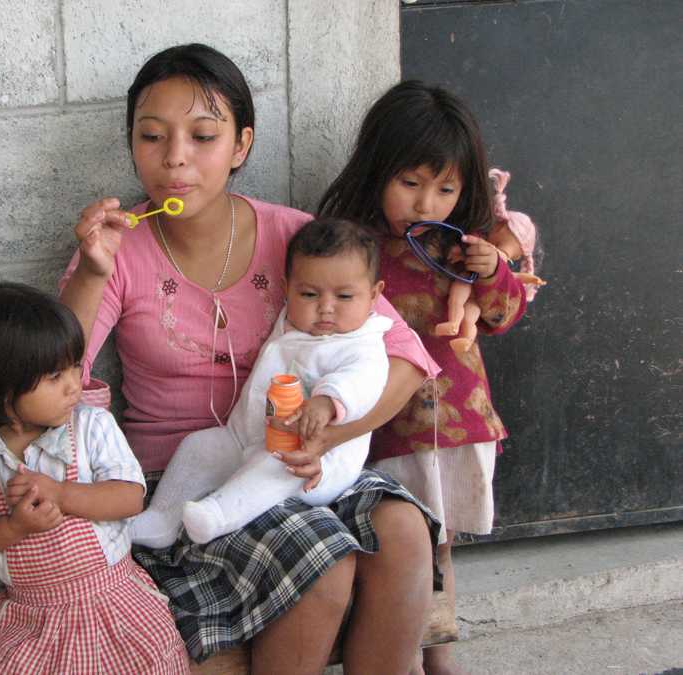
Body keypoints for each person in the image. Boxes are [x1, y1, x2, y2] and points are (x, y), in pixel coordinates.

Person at [59, 44, 442, 673]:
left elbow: (402, 357)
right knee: (323, 557)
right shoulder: (117, 248)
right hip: (186, 479)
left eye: (202, 136)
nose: (175, 157)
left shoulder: (294, 236)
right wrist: (93, 273)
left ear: (241, 146)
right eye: (152, 136)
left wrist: (330, 436)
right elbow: (58, 373)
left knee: (402, 531)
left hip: (306, 456)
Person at [318, 80, 529, 675]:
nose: (425, 203)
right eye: (409, 183)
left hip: (458, 426)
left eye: (445, 187)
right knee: (397, 551)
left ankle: (436, 654)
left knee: (440, 549)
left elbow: (502, 317)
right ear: (376, 170)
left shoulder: (464, 247)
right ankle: (402, 655)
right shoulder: (355, 248)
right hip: (383, 427)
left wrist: (494, 274)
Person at [0, 282, 188, 674]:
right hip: (31, 616)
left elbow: (129, 498)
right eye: (55, 375)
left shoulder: (91, 426)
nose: (74, 384)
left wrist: (60, 493)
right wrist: (12, 528)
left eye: (74, 365)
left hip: (114, 604)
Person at [131, 218, 391, 546]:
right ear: (287, 289)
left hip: (311, 461)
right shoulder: (292, 320)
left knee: (276, 465)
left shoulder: (362, 342)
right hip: (245, 436)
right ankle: (162, 518)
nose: (325, 308)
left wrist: (327, 402)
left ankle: (217, 515)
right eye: (309, 293)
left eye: (344, 296)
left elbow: (364, 381)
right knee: (199, 446)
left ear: (374, 294)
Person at [433, 168, 545, 353]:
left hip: (474, 295)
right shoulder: (471, 235)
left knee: (469, 316)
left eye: (511, 255)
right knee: (457, 301)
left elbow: (515, 279)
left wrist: (528, 279)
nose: (504, 254)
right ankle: (452, 322)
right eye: (503, 243)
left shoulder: (500, 264)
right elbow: (464, 249)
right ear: (497, 226)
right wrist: (460, 253)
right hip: (465, 281)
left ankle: (464, 338)